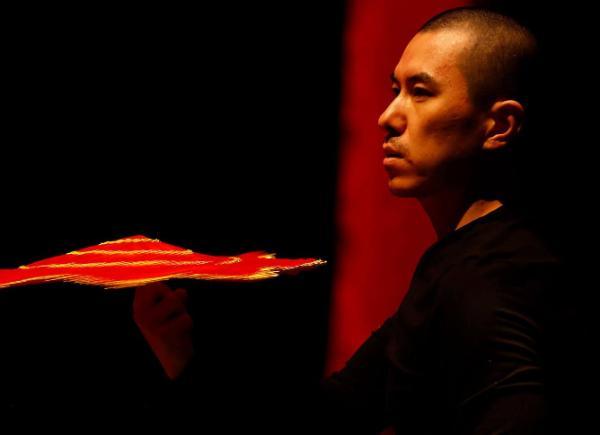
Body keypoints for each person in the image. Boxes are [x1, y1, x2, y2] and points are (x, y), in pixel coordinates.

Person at [133, 7, 579, 433]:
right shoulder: (463, 263)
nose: (388, 117)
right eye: (395, 90)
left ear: (499, 125)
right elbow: (334, 417)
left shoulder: (490, 278)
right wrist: (182, 357)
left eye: (420, 92)